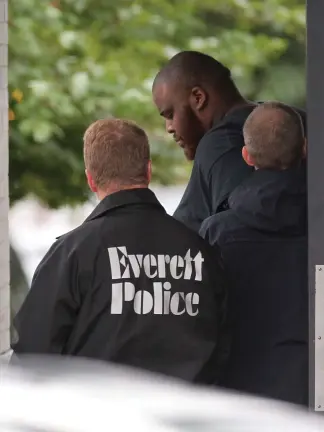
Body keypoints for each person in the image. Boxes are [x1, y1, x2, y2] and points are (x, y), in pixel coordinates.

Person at [11, 118, 230, 384]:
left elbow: (32, 357)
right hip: (188, 419)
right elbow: (225, 349)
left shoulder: (73, 254)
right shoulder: (201, 251)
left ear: (91, 179)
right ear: (148, 171)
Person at [200, 102, 308, 405]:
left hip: (242, 398)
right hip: (314, 392)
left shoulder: (216, 232)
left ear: (246, 156)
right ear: (305, 148)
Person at [152, 51, 306, 231]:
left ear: (198, 98)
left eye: (170, 114)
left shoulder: (221, 143)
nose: (169, 127)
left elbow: (240, 241)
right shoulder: (296, 121)